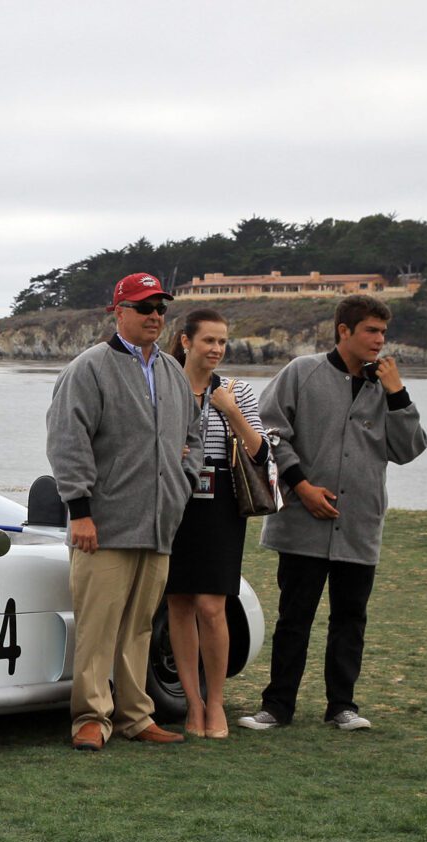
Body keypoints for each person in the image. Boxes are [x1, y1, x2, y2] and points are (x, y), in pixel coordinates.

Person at [239, 294, 427, 733]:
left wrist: (399, 394)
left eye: (383, 332)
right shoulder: (302, 373)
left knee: (350, 619)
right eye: (371, 331)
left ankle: (342, 706)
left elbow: (409, 449)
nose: (379, 341)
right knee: (294, 619)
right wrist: (301, 486)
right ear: (344, 330)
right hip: (303, 524)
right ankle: (277, 707)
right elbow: (269, 432)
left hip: (359, 525)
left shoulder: (387, 389)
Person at [46, 272, 201, 751]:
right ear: (119, 312)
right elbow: (67, 441)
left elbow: (192, 439)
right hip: (105, 525)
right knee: (97, 626)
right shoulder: (89, 368)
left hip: (158, 524)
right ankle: (91, 717)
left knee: (137, 627)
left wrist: (183, 482)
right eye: (144, 307)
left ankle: (136, 715)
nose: (155, 316)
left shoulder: (174, 373)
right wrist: (81, 511)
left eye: (160, 308)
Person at [165, 309, 265, 740]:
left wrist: (231, 412)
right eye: (209, 340)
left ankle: (217, 702)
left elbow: (260, 452)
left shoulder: (237, 390)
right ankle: (193, 703)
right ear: (185, 341)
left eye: (223, 342)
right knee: (179, 605)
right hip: (174, 502)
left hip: (221, 504)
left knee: (212, 605)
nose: (217, 349)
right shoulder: (164, 387)